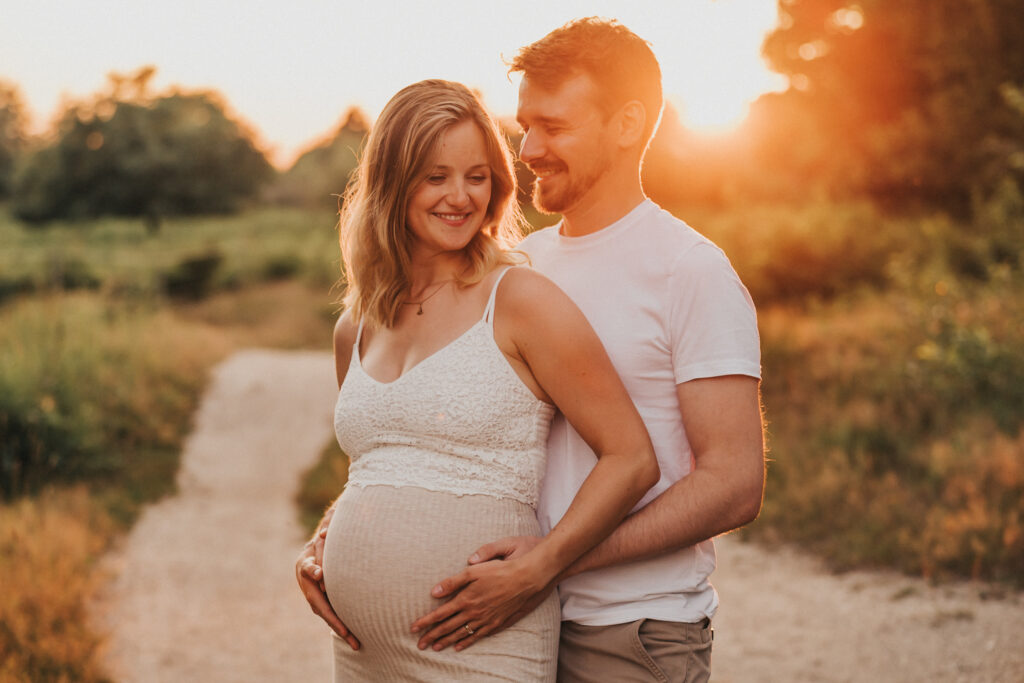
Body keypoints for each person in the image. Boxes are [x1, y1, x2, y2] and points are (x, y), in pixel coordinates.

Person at [405, 19, 766, 682]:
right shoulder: (519, 265)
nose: (529, 148)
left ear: (627, 124)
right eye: (524, 125)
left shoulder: (691, 271)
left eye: (554, 126)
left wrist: (550, 560)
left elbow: (734, 484)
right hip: (504, 630)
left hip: (629, 633)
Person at [297, 78, 659, 682]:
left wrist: (542, 565)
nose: (459, 197)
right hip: (362, 654)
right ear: (392, 181)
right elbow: (381, 464)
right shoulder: (355, 325)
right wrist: (323, 540)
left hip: (483, 645)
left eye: (477, 175)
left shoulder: (521, 300)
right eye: (435, 176)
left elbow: (631, 457)